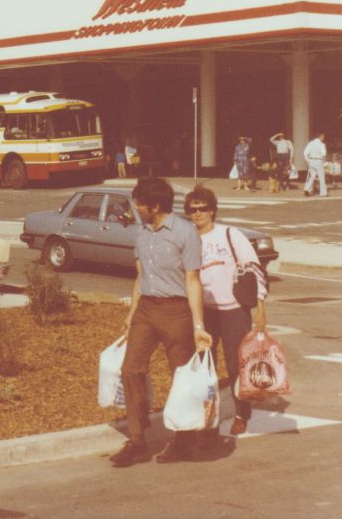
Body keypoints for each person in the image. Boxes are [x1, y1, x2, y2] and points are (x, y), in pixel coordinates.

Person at [109, 177, 212, 467]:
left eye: (139, 204)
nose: (136, 208)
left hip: (176, 311)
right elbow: (141, 277)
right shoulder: (142, 233)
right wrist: (131, 315)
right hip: (146, 309)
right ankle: (137, 440)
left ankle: (184, 441)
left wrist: (198, 326)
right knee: (131, 369)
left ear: (155, 206)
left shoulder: (185, 232)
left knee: (181, 376)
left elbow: (193, 281)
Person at [185, 186, 268, 441]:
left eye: (203, 209)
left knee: (235, 365)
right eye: (193, 210)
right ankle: (208, 417)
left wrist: (260, 309)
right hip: (205, 312)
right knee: (205, 367)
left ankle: (242, 413)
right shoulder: (188, 239)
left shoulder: (230, 234)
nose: (198, 214)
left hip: (234, 311)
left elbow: (253, 270)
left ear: (212, 210)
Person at [303, 132, 328, 197]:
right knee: (321, 177)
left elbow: (305, 153)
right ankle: (323, 193)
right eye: (323, 136)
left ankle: (307, 189)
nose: (323, 138)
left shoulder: (310, 143)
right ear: (320, 136)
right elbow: (324, 153)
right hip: (318, 161)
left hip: (311, 161)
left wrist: (308, 160)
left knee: (312, 176)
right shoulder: (321, 144)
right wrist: (324, 162)